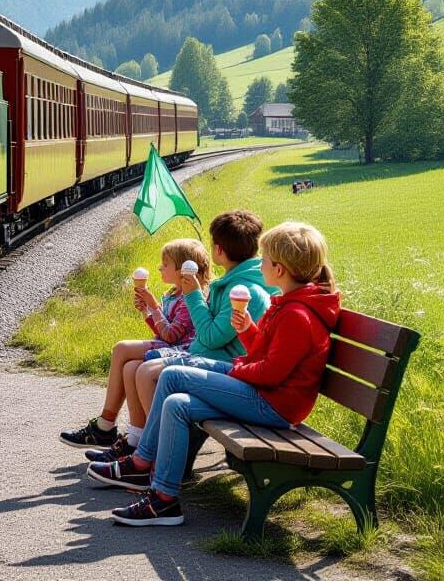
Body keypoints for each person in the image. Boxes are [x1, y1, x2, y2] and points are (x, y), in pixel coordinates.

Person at [99, 221, 340, 527]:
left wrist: (236, 368)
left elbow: (271, 373)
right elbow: (266, 356)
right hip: (265, 392)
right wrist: (249, 330)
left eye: (264, 260)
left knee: (173, 376)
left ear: (279, 270)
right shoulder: (289, 303)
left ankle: (140, 461)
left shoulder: (297, 314)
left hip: (273, 404)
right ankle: (164, 499)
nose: (260, 264)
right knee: (176, 404)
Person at [77, 210, 273, 461]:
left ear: (219, 250)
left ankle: (155, 453)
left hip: (227, 370)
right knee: (132, 367)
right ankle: (137, 440)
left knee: (144, 371)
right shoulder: (231, 283)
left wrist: (192, 295)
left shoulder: (242, 289)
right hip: (214, 361)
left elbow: (209, 337)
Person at [59, 238, 210, 450]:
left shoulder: (190, 297)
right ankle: (136, 437)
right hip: (169, 346)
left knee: (121, 348)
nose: (160, 267)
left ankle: (105, 425)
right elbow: (162, 330)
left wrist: (153, 307)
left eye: (165, 264)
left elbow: (171, 335)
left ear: (183, 269)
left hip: (180, 351)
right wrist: (146, 311)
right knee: (130, 367)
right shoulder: (173, 294)